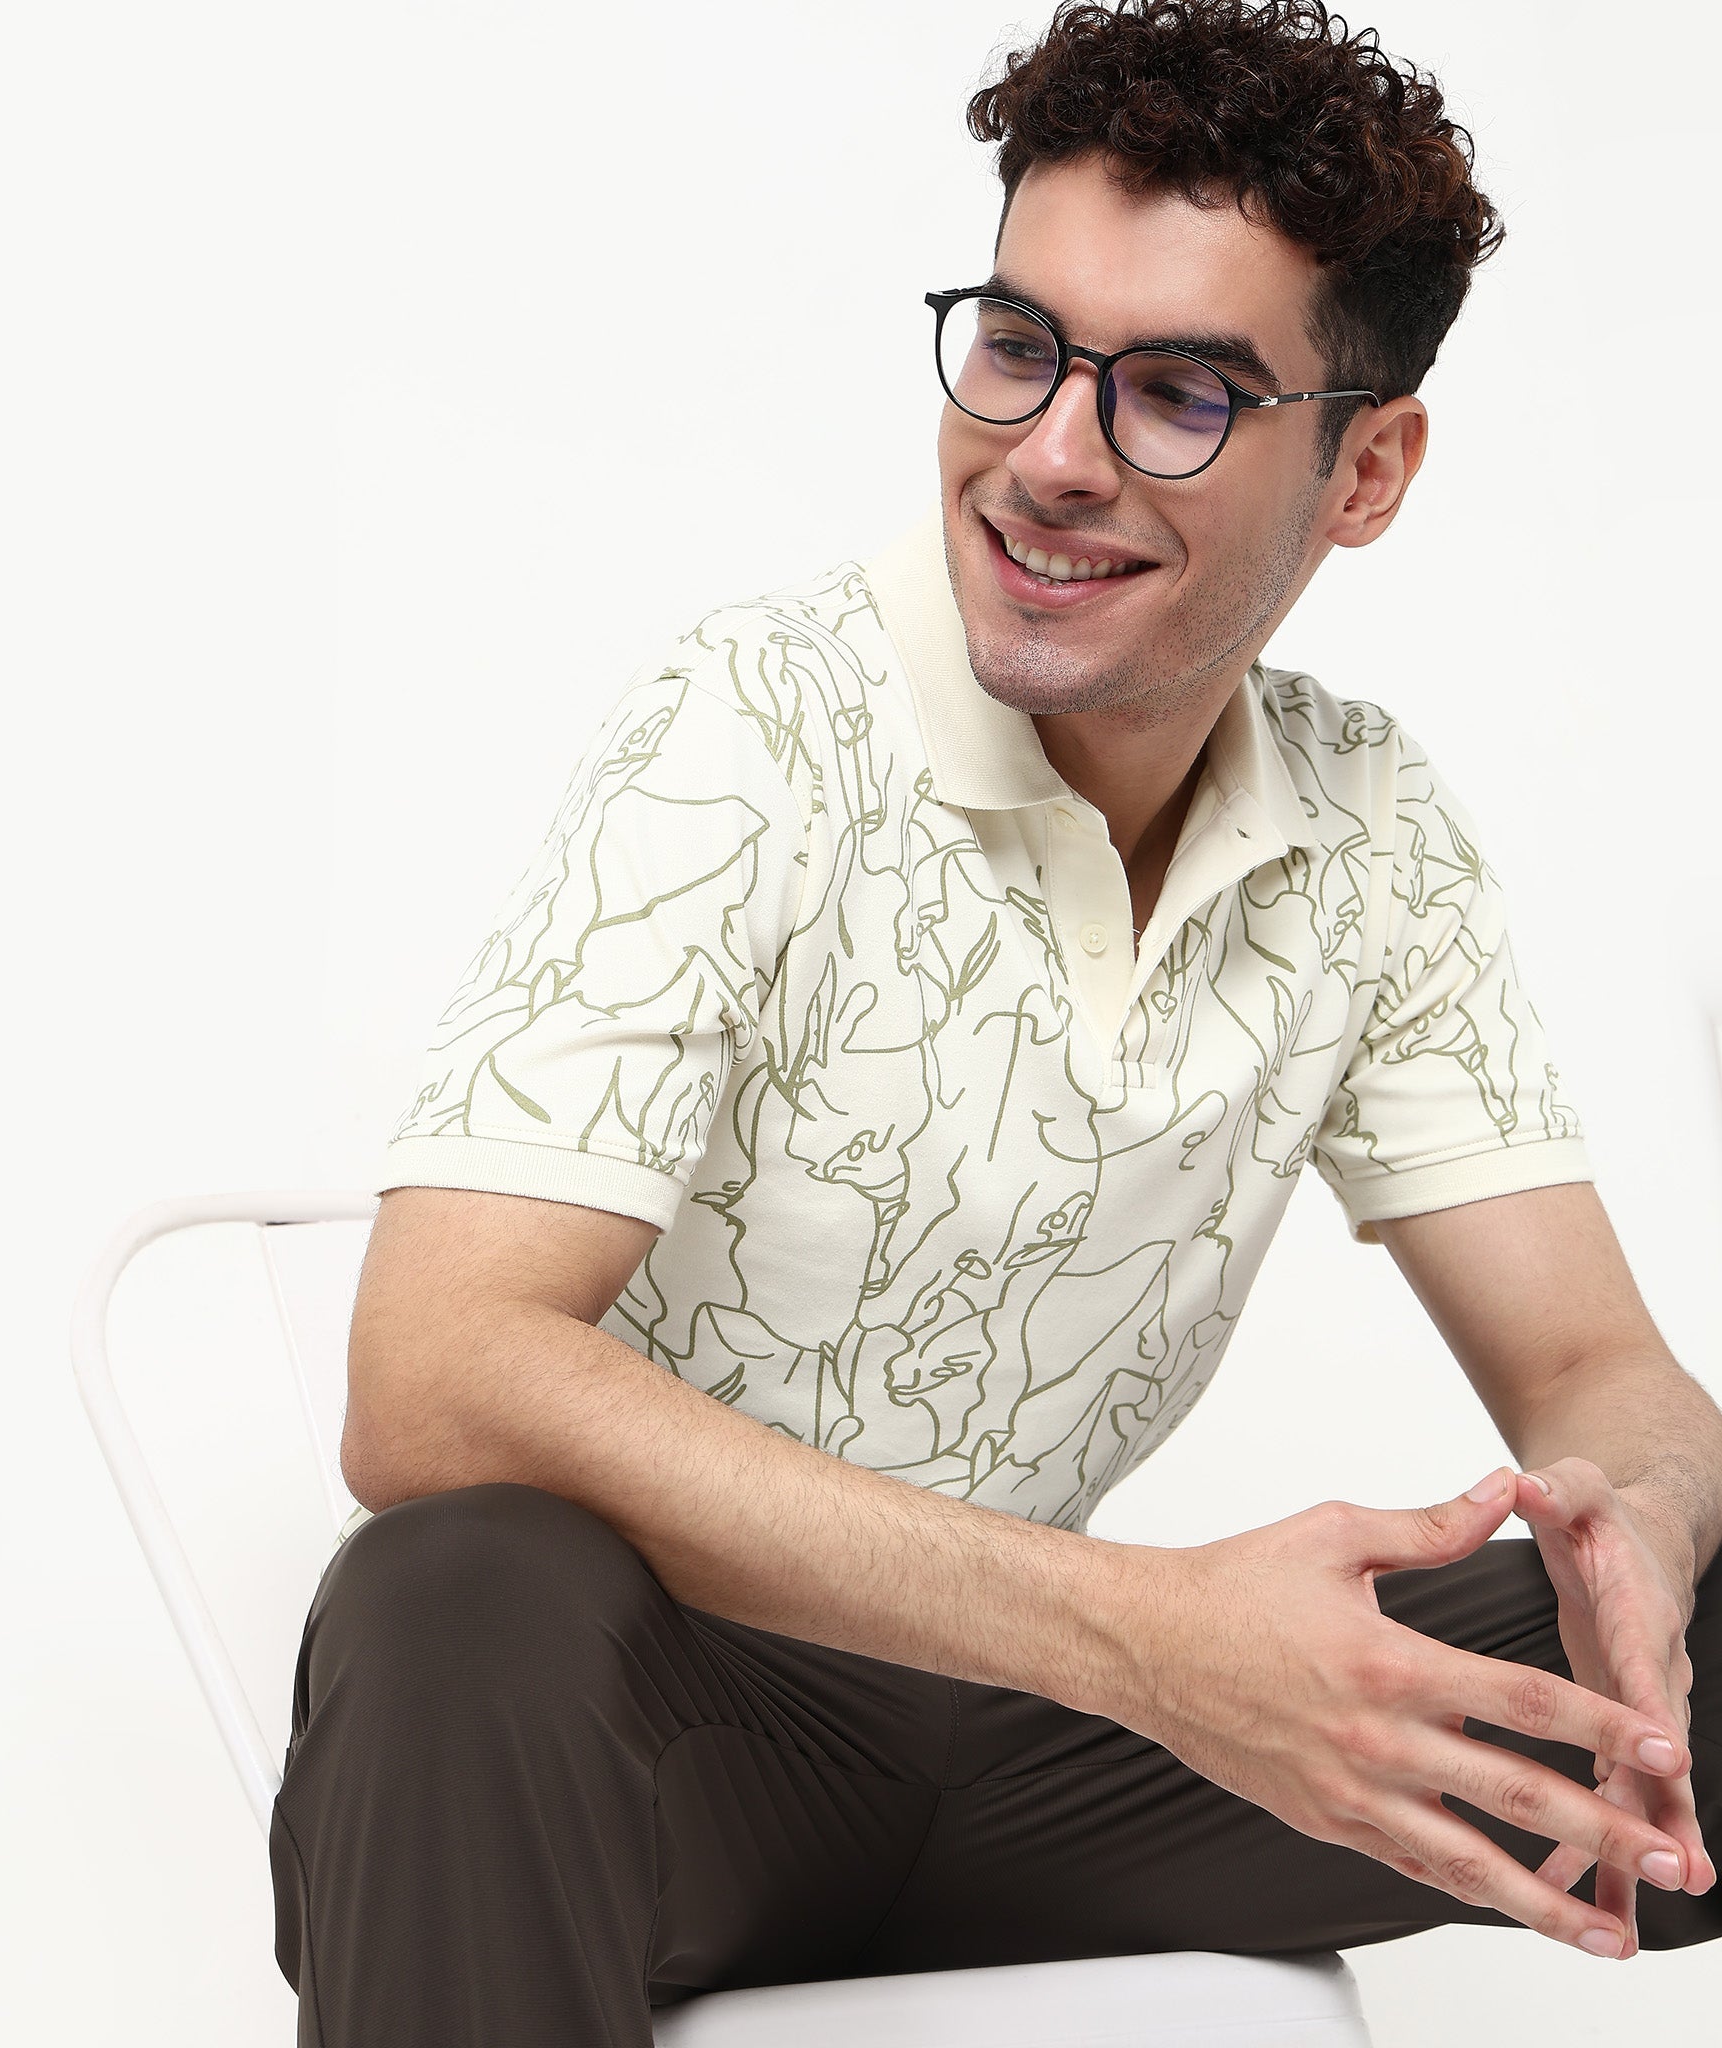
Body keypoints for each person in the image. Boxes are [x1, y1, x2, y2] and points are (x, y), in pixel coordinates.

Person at [269, 3, 1722, 2039]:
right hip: (680, 1755)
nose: (1047, 457)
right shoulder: (758, 724)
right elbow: (427, 1378)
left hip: (1045, 1766)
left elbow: (1594, 1366)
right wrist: (1154, 1638)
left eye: (1183, 392)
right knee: (456, 1594)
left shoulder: (1367, 826)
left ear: (1368, 467)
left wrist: (1635, 1530)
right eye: (1022, 346)